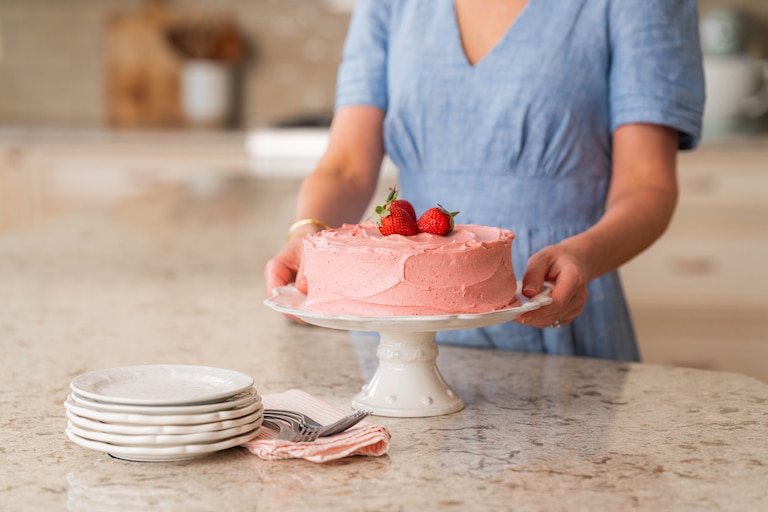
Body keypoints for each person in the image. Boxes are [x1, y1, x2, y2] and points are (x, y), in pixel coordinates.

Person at [264, 0, 705, 361]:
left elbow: (648, 184)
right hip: (402, 321)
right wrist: (308, 232)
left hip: (553, 301)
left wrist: (583, 257)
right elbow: (346, 165)